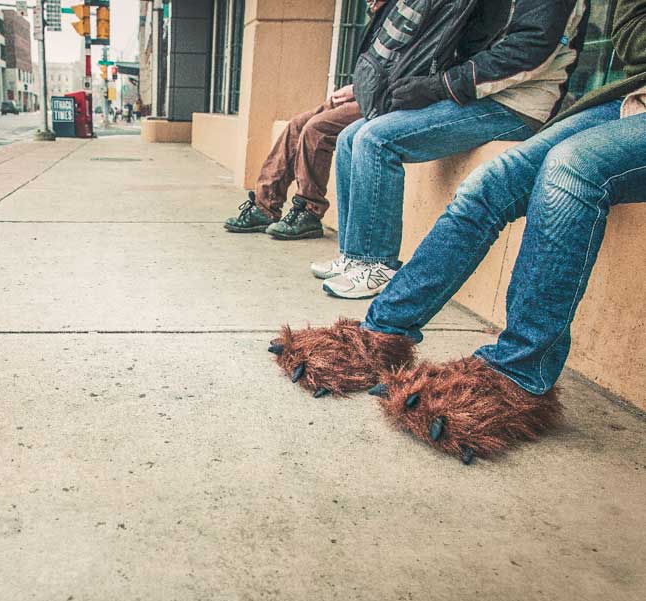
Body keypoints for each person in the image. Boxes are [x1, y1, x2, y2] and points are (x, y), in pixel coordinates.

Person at [272, 0, 646, 465]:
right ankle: (383, 332)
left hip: (521, 99)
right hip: (630, 101)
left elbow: (530, 45)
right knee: (490, 181)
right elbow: (631, 37)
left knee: (572, 169)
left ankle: (519, 374)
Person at [317, 0, 590, 298]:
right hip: (475, 98)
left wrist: (441, 85)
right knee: (350, 136)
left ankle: (377, 265)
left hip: (518, 106)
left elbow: (528, 53)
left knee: (376, 139)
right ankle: (354, 255)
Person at [224, 0, 393, 241]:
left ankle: (309, 212)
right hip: (367, 93)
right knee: (297, 125)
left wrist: (356, 90)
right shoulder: (381, 15)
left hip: (385, 100)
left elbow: (405, 70)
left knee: (317, 129)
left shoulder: (406, 14)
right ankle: (265, 205)